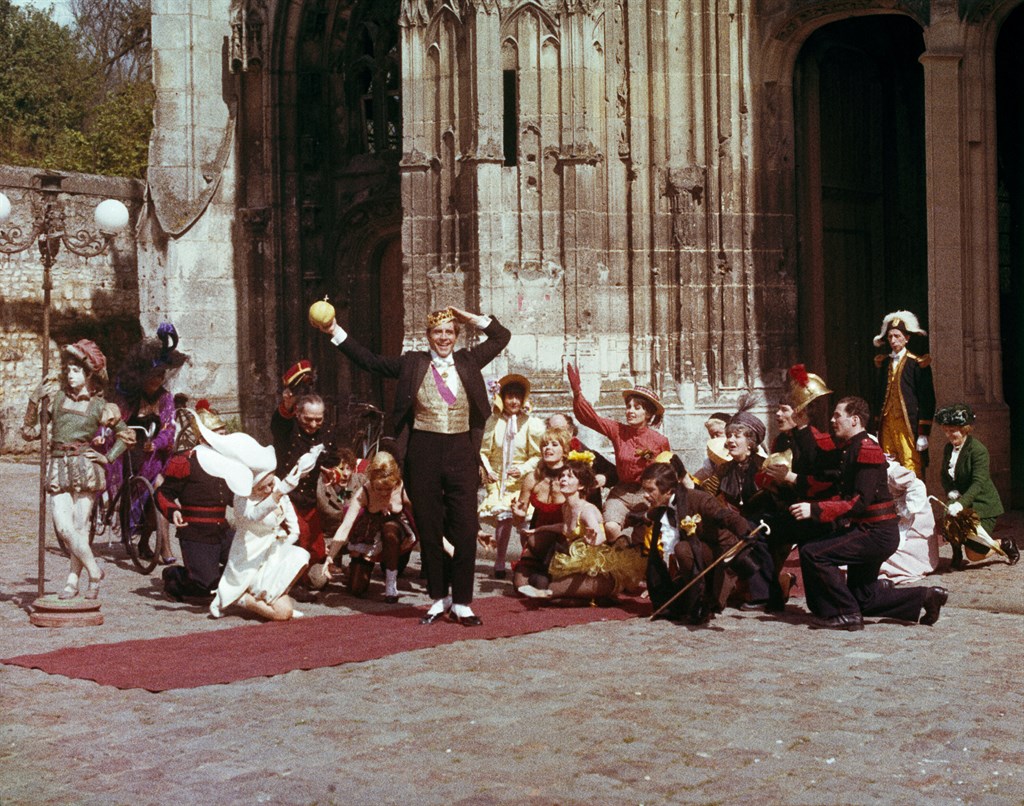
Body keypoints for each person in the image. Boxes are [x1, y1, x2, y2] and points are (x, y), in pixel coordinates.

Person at [314, 305, 511, 626]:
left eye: (449, 331)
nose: (444, 337)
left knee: (464, 527)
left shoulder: (468, 360)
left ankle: (462, 602)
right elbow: (370, 361)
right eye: (438, 332)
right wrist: (335, 330)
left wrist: (467, 317)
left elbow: (502, 336)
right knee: (430, 529)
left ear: (456, 335)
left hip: (462, 451)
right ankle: (438, 599)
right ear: (428, 336)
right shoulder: (413, 364)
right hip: (423, 451)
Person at [791, 396, 948, 630]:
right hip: (869, 530)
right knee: (864, 597)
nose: (832, 420)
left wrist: (815, 509)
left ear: (854, 420)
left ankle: (846, 614)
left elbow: (858, 501)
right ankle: (925, 597)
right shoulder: (851, 448)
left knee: (815, 553)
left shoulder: (866, 449)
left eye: (837, 415)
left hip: (875, 533)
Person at [21, 340, 130, 600]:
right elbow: (29, 433)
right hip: (58, 465)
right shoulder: (56, 399)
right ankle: (95, 570)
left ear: (89, 375)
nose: (70, 375)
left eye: (76, 370)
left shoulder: (100, 407)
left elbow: (125, 435)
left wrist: (108, 458)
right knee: (63, 527)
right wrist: (34, 400)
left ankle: (72, 581)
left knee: (80, 528)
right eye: (68, 370)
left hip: (84, 467)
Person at [200, 422, 313, 621]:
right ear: (252, 487)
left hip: (270, 553)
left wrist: (286, 543)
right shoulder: (242, 498)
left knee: (300, 556)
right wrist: (279, 493)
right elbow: (253, 515)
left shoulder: (277, 486)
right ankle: (240, 598)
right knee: (280, 613)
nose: (271, 488)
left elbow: (291, 521)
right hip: (248, 558)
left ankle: (270, 596)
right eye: (265, 486)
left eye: (272, 483)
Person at [107, 322, 188, 564]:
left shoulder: (165, 398)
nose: (158, 379)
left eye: (161, 375)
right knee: (135, 500)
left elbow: (168, 426)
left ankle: (166, 550)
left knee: (161, 496)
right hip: (131, 454)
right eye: (153, 375)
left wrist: (159, 442)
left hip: (155, 457)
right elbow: (115, 421)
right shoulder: (129, 397)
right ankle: (140, 540)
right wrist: (119, 436)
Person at [757, 364, 838, 607]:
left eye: (784, 410)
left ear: (800, 411)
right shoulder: (781, 440)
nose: (778, 415)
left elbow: (827, 482)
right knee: (762, 535)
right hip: (790, 509)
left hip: (817, 515)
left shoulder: (819, 441)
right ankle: (774, 589)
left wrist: (790, 478)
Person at [566, 362, 669, 543]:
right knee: (611, 528)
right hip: (621, 493)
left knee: (642, 539)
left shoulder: (660, 441)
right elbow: (591, 419)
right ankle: (623, 550)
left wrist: (660, 501)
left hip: (647, 495)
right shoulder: (618, 430)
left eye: (637, 408)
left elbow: (668, 474)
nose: (630, 411)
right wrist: (577, 393)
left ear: (648, 413)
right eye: (628, 406)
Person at [640, 462, 754, 624]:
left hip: (721, 554)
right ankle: (694, 596)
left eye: (650, 490)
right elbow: (648, 516)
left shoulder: (699, 500)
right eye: (645, 490)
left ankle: (704, 599)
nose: (646, 495)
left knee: (682, 549)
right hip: (698, 553)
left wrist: (745, 532)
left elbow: (727, 516)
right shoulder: (661, 506)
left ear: (669, 491)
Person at [518, 459, 645, 602]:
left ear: (581, 485)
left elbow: (603, 534)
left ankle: (560, 594)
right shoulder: (566, 506)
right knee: (540, 580)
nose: (563, 480)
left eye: (569, 476)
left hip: (596, 565)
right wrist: (539, 529)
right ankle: (568, 596)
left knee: (553, 588)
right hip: (575, 559)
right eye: (562, 476)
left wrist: (594, 541)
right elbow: (565, 527)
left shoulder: (587, 510)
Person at [700, 396, 777, 610]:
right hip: (738, 522)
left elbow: (776, 500)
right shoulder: (724, 469)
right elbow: (707, 494)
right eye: (728, 436)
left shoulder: (764, 467)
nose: (729, 441)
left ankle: (765, 595)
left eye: (736, 436)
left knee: (751, 533)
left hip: (766, 522)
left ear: (751, 442)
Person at [155, 403, 235, 601]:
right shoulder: (186, 462)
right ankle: (175, 576)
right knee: (205, 589)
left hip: (222, 531)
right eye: (218, 434)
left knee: (247, 566)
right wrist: (173, 511)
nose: (223, 438)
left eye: (224, 433)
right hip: (196, 534)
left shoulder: (230, 461)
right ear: (203, 438)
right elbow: (162, 494)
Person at [270, 367, 338, 594]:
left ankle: (306, 577)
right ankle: (289, 582)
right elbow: (279, 421)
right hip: (288, 500)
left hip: (311, 500)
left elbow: (334, 458)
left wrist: (334, 471)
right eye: (308, 419)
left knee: (316, 550)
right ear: (298, 415)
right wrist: (287, 404)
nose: (313, 424)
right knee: (294, 541)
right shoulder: (287, 429)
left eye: (319, 420)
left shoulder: (325, 432)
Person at [322, 451, 418, 603]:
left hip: (395, 541)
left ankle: (391, 586)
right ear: (372, 480)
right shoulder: (363, 493)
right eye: (379, 488)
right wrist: (330, 557)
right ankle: (355, 569)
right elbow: (346, 526)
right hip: (370, 536)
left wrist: (448, 548)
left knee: (390, 529)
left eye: (388, 488)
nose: (384, 493)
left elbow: (424, 521)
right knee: (356, 589)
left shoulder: (401, 488)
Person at [935, 404, 1018, 568]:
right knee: (948, 518)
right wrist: (950, 490)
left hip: (982, 504)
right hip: (963, 500)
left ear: (965, 429)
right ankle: (957, 554)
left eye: (953, 431)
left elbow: (978, 483)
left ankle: (1004, 543)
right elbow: (944, 474)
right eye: (946, 430)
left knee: (974, 555)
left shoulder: (978, 450)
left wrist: (960, 503)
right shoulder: (948, 448)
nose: (949, 435)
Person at [478, 374, 545, 579]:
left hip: (523, 479)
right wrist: (489, 471)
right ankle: (500, 560)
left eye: (518, 396)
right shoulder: (493, 421)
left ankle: (528, 560)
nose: (514, 401)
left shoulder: (530, 424)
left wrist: (523, 469)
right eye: (510, 396)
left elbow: (536, 455)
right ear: (502, 398)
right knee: (504, 518)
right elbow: (483, 451)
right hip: (499, 479)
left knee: (525, 521)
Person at [872, 310, 935, 476]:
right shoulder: (884, 363)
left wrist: (923, 433)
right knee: (888, 466)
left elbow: (927, 399)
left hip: (907, 426)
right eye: (890, 336)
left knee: (910, 465)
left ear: (907, 338)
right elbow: (879, 396)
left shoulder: (917, 364)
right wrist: (877, 426)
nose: (893, 340)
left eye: (897, 336)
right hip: (887, 424)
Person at [510, 427, 571, 589]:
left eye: (554, 444)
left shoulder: (571, 477)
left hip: (565, 539)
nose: (548, 448)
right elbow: (519, 519)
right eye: (544, 445)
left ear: (564, 451)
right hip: (538, 539)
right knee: (519, 586)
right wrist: (518, 514)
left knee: (545, 585)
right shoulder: (532, 478)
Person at [879, 459, 940, 583]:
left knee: (900, 549)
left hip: (914, 515)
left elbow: (917, 485)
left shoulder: (890, 471)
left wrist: (905, 510)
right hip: (895, 512)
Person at [545, 412, 616, 509]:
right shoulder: (545, 454)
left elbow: (615, 473)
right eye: (550, 429)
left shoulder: (586, 454)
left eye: (559, 429)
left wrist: (604, 478)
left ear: (570, 431)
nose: (555, 434)